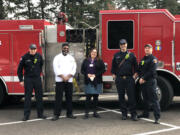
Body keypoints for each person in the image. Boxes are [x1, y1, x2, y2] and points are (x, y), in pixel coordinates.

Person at [17, 44, 46, 121]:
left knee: (39, 97)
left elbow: (41, 66)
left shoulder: (39, 56)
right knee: (27, 98)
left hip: (37, 79)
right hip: (28, 79)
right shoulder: (24, 57)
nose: (33, 50)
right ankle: (26, 115)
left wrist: (39, 75)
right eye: (31, 49)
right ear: (29, 49)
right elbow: (19, 70)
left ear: (36, 49)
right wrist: (21, 80)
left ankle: (40, 114)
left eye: (34, 49)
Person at [111, 39, 138, 121]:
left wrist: (135, 75)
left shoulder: (131, 55)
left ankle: (133, 114)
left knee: (131, 97)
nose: (123, 45)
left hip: (129, 78)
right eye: (121, 44)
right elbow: (113, 67)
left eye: (124, 44)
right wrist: (114, 75)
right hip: (119, 79)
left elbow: (136, 67)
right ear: (119, 45)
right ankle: (124, 114)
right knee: (121, 97)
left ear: (127, 45)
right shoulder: (116, 55)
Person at [52, 42, 77, 121]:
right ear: (62, 49)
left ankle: (69, 113)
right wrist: (63, 77)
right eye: (64, 48)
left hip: (69, 80)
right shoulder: (57, 57)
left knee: (69, 97)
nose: (66, 50)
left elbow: (74, 68)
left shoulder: (71, 58)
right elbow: (56, 68)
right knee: (58, 98)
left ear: (68, 49)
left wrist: (68, 76)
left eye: (67, 48)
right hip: (59, 80)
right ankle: (56, 114)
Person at [137, 44, 161, 124]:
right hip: (143, 82)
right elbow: (139, 69)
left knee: (154, 99)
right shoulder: (143, 59)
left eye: (149, 48)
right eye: (146, 48)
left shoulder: (153, 59)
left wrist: (143, 78)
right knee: (145, 99)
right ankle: (145, 114)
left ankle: (157, 117)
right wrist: (140, 77)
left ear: (152, 50)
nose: (147, 49)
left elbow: (152, 71)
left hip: (150, 81)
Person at [81, 48, 105, 119]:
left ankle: (95, 112)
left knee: (95, 97)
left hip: (96, 81)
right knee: (88, 97)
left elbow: (103, 69)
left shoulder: (100, 61)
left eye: (95, 52)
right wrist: (87, 74)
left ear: (97, 54)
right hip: (88, 81)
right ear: (90, 53)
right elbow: (82, 70)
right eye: (92, 52)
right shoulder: (86, 61)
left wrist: (95, 75)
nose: (94, 53)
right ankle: (86, 113)